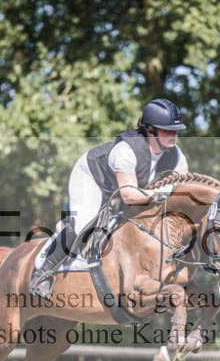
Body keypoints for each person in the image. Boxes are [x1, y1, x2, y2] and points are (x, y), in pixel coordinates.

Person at [29, 98, 190, 299]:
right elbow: (129, 194)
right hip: (92, 177)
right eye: (167, 130)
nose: (174, 136)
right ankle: (43, 272)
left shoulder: (176, 155)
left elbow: (185, 185)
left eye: (176, 131)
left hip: (127, 188)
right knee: (83, 222)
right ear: (149, 129)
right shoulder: (126, 150)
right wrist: (161, 193)